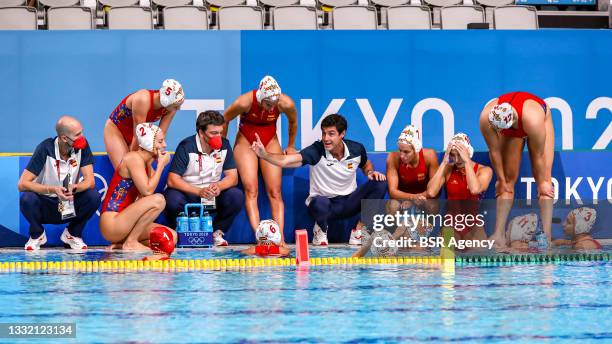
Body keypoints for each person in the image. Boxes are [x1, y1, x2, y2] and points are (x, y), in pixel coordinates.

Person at [251, 113, 387, 246]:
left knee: (380, 183)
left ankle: (359, 231)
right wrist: (265, 155)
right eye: (324, 133)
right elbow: (286, 161)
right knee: (319, 202)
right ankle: (321, 230)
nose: (326, 138)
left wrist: (370, 172)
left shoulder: (356, 149)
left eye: (331, 134)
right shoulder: (316, 151)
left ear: (342, 134)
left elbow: (365, 163)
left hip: (349, 202)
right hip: (324, 206)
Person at [223, 76, 298, 245]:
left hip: (270, 140)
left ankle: (280, 240)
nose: (272, 107)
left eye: (274, 103)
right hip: (245, 140)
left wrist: (291, 145)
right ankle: (261, 238)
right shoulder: (244, 102)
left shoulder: (285, 103)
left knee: (275, 192)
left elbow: (293, 122)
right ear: (260, 98)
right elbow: (225, 119)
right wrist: (222, 148)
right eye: (268, 104)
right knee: (251, 190)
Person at [480, 92, 554, 248]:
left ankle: (546, 236)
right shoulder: (486, 118)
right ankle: (498, 234)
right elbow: (494, 151)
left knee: (545, 183)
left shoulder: (533, 120)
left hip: (533, 118)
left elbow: (539, 156)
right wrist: (501, 179)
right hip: (513, 124)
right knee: (506, 183)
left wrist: (543, 182)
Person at [18, 116, 100, 251]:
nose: (82, 137)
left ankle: (72, 234)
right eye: (78, 134)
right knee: (27, 199)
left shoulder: (82, 147)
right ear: (63, 138)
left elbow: (90, 182)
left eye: (82, 132)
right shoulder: (45, 148)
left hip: (69, 202)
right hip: (46, 204)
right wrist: (52, 189)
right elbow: (22, 184)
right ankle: (37, 234)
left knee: (93, 196)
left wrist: (75, 188)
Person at [164, 111, 244, 246]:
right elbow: (172, 179)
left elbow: (233, 177)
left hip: (211, 196)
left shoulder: (224, 145)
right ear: (201, 132)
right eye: (214, 133)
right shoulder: (186, 146)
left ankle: (215, 234)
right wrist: (198, 191)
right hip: (189, 194)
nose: (219, 136)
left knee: (236, 196)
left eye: (220, 132)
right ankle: (183, 234)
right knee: (172, 199)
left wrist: (218, 186)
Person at [100, 123, 177, 251]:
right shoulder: (133, 158)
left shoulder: (145, 162)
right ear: (148, 143)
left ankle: (123, 244)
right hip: (113, 222)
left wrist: (153, 165)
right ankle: (131, 242)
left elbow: (144, 200)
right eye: (160, 141)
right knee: (159, 200)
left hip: (126, 222)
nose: (165, 145)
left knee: (170, 237)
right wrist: (161, 166)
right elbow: (147, 191)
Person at [426, 133, 493, 246]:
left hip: (473, 224)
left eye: (460, 155)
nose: (457, 160)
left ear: (468, 152)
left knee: (479, 260)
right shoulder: (448, 169)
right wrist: (444, 163)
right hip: (450, 224)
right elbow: (431, 192)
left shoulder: (484, 171)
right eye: (453, 155)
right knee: (447, 260)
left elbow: (475, 189)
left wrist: (467, 162)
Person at [104, 79, 184, 169]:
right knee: (127, 170)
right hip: (116, 130)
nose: (179, 108)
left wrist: (158, 155)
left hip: (136, 134)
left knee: (139, 171)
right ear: (166, 101)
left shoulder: (171, 108)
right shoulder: (142, 99)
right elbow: (137, 136)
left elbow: (161, 135)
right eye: (177, 105)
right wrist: (134, 162)